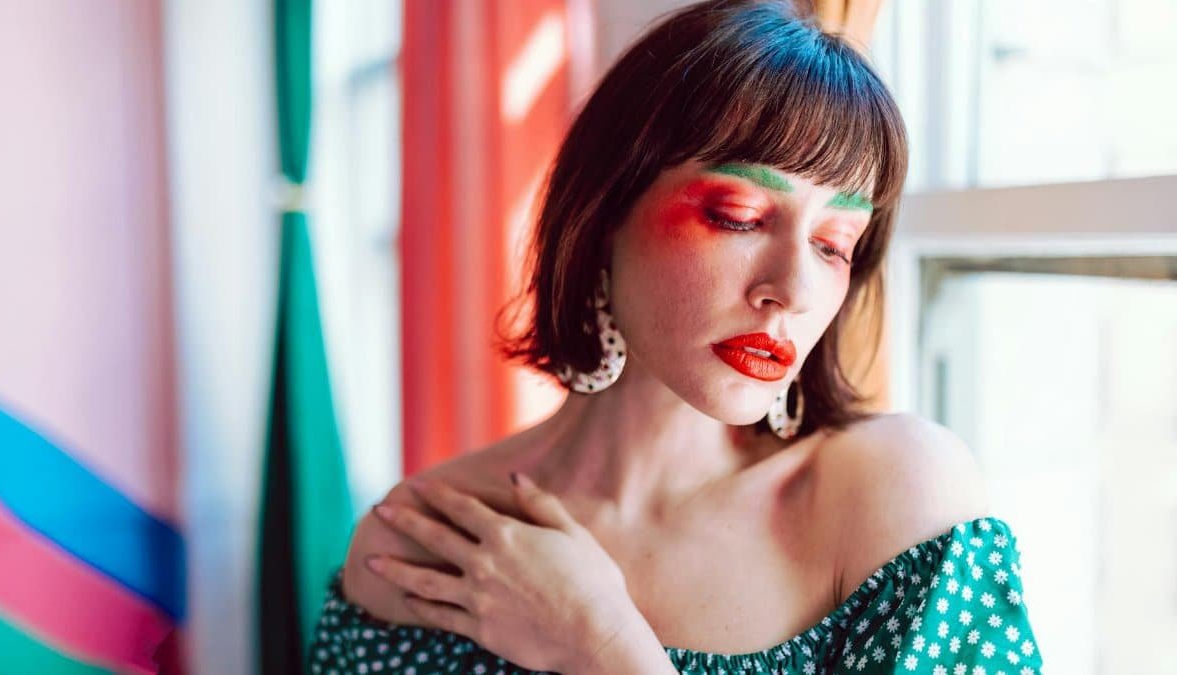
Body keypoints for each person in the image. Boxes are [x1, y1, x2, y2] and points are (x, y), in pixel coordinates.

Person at [308, 0, 1045, 673]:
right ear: (603, 218)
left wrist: (604, 645)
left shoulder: (896, 497)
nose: (790, 290)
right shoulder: (430, 542)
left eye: (834, 244)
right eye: (738, 215)